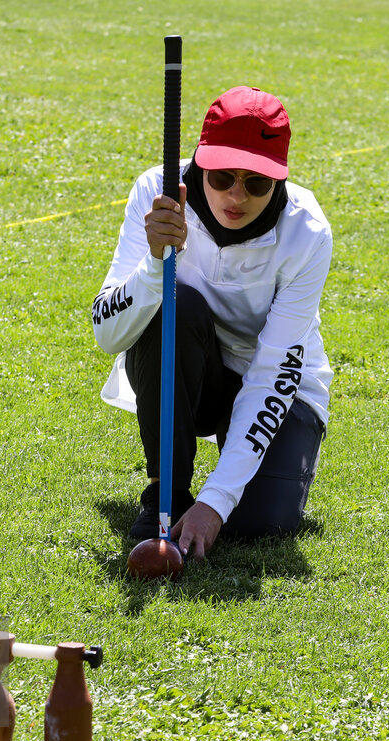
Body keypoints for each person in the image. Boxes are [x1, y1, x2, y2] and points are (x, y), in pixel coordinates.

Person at [91, 86, 333, 560]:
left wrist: (216, 503)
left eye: (257, 183)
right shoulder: (154, 190)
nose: (236, 196)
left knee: (259, 524)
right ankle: (167, 491)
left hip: (273, 384)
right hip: (188, 372)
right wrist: (154, 268)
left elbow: (273, 373)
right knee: (176, 306)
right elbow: (108, 334)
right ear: (201, 162)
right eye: (222, 176)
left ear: (279, 179)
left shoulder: (308, 233)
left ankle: (224, 487)